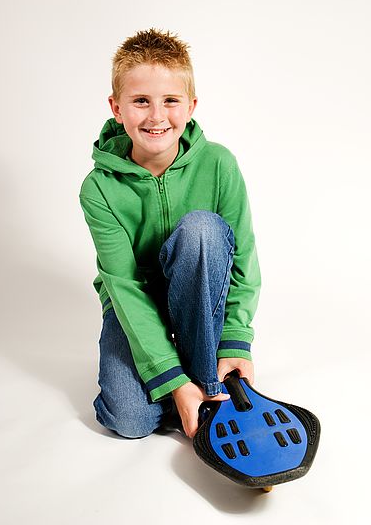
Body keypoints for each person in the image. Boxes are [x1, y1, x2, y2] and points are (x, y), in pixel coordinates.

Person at [79, 28, 261, 440]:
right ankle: (182, 381)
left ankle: (205, 383)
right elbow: (123, 286)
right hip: (135, 306)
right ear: (116, 107)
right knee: (129, 421)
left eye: (171, 101)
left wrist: (235, 342)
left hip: (201, 297)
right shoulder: (99, 189)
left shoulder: (219, 164)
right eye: (141, 101)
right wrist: (173, 382)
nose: (157, 116)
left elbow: (243, 259)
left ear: (191, 106)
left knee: (202, 230)